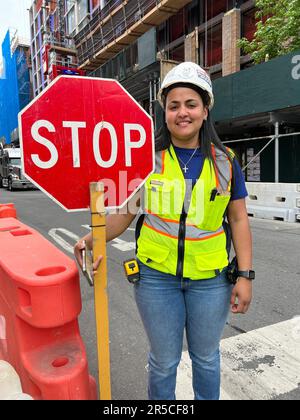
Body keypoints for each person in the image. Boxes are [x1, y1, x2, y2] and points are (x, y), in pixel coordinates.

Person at [74, 62, 253, 400]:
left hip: (211, 280)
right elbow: (125, 213)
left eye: (190, 104)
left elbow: (239, 219)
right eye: (173, 106)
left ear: (205, 110)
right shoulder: (145, 160)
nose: (182, 113)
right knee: (163, 362)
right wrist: (90, 238)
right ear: (164, 112)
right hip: (156, 279)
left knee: (206, 358)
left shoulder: (225, 161)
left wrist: (245, 275)